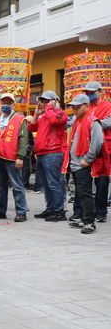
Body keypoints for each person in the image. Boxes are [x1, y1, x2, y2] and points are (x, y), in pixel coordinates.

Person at [63, 94, 110, 234]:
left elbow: (98, 142)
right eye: (73, 108)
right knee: (80, 193)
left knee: (85, 193)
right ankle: (84, 219)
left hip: (83, 163)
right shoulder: (78, 121)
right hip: (76, 163)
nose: (75, 110)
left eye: (78, 107)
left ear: (86, 106)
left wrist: (88, 159)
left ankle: (89, 222)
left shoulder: (92, 121)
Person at [29, 91, 68, 221]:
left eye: (47, 101)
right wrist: (36, 113)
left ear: (55, 101)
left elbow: (54, 121)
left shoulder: (60, 113)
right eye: (43, 101)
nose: (44, 103)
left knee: (54, 183)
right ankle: (51, 208)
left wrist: (50, 108)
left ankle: (59, 211)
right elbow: (32, 127)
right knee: (46, 184)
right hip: (41, 153)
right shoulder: (44, 115)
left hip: (53, 153)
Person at [0, 93, 29, 222]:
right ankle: (0, 210)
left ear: (13, 104)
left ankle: (21, 211)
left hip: (12, 157)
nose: (6, 105)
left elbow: (24, 140)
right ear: (0, 104)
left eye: (8, 102)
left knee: (17, 185)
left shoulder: (20, 119)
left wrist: (21, 157)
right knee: (0, 186)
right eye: (3, 102)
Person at [83, 81, 111, 222]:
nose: (90, 95)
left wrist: (92, 124)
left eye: (92, 92)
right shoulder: (87, 107)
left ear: (100, 91)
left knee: (101, 180)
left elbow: (108, 122)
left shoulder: (108, 106)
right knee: (86, 180)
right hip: (88, 147)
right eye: (87, 93)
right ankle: (88, 210)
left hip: (105, 147)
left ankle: (101, 211)